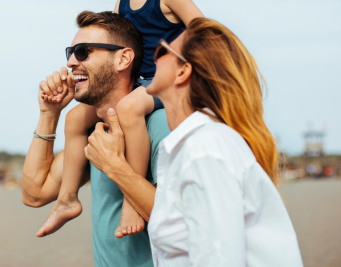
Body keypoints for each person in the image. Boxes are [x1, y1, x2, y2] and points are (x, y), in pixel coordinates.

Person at [40, 0, 204, 239]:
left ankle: (134, 194)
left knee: (128, 110)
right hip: (134, 81)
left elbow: (203, 28)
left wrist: (174, 53)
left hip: (162, 81)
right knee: (74, 119)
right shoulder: (123, 0)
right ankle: (67, 199)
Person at [85, 18, 303, 266]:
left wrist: (115, 166)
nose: (152, 59)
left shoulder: (206, 150)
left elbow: (219, 259)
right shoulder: (190, 145)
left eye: (161, 50)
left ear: (182, 72)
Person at [22, 11, 171, 267]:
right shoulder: (92, 132)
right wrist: (49, 114)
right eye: (70, 52)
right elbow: (35, 194)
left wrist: (115, 167)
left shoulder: (160, 125)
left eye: (83, 52)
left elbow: (183, 223)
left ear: (123, 58)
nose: (70, 62)